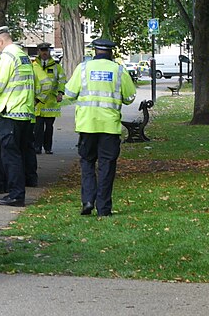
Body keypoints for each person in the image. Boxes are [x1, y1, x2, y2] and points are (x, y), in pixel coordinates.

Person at [63, 36, 136, 216]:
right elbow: (129, 98)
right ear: (111, 52)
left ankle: (88, 200)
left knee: (87, 162)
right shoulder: (119, 70)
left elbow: (70, 94)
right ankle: (104, 208)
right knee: (107, 165)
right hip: (109, 127)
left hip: (87, 125)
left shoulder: (83, 68)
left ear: (94, 51)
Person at [0, 25, 37, 206]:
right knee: (18, 156)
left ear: (1, 41)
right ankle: (17, 193)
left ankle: (16, 195)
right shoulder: (22, 55)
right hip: (24, 113)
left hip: (9, 113)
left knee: (10, 158)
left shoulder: (7, 57)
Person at [32, 42, 65, 154]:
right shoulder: (34, 66)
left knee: (49, 127)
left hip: (51, 101)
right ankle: (37, 147)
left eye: (46, 50)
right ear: (39, 52)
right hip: (38, 101)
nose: (45, 52)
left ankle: (48, 148)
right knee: (38, 127)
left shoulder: (56, 66)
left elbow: (61, 80)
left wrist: (60, 93)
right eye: (42, 50)